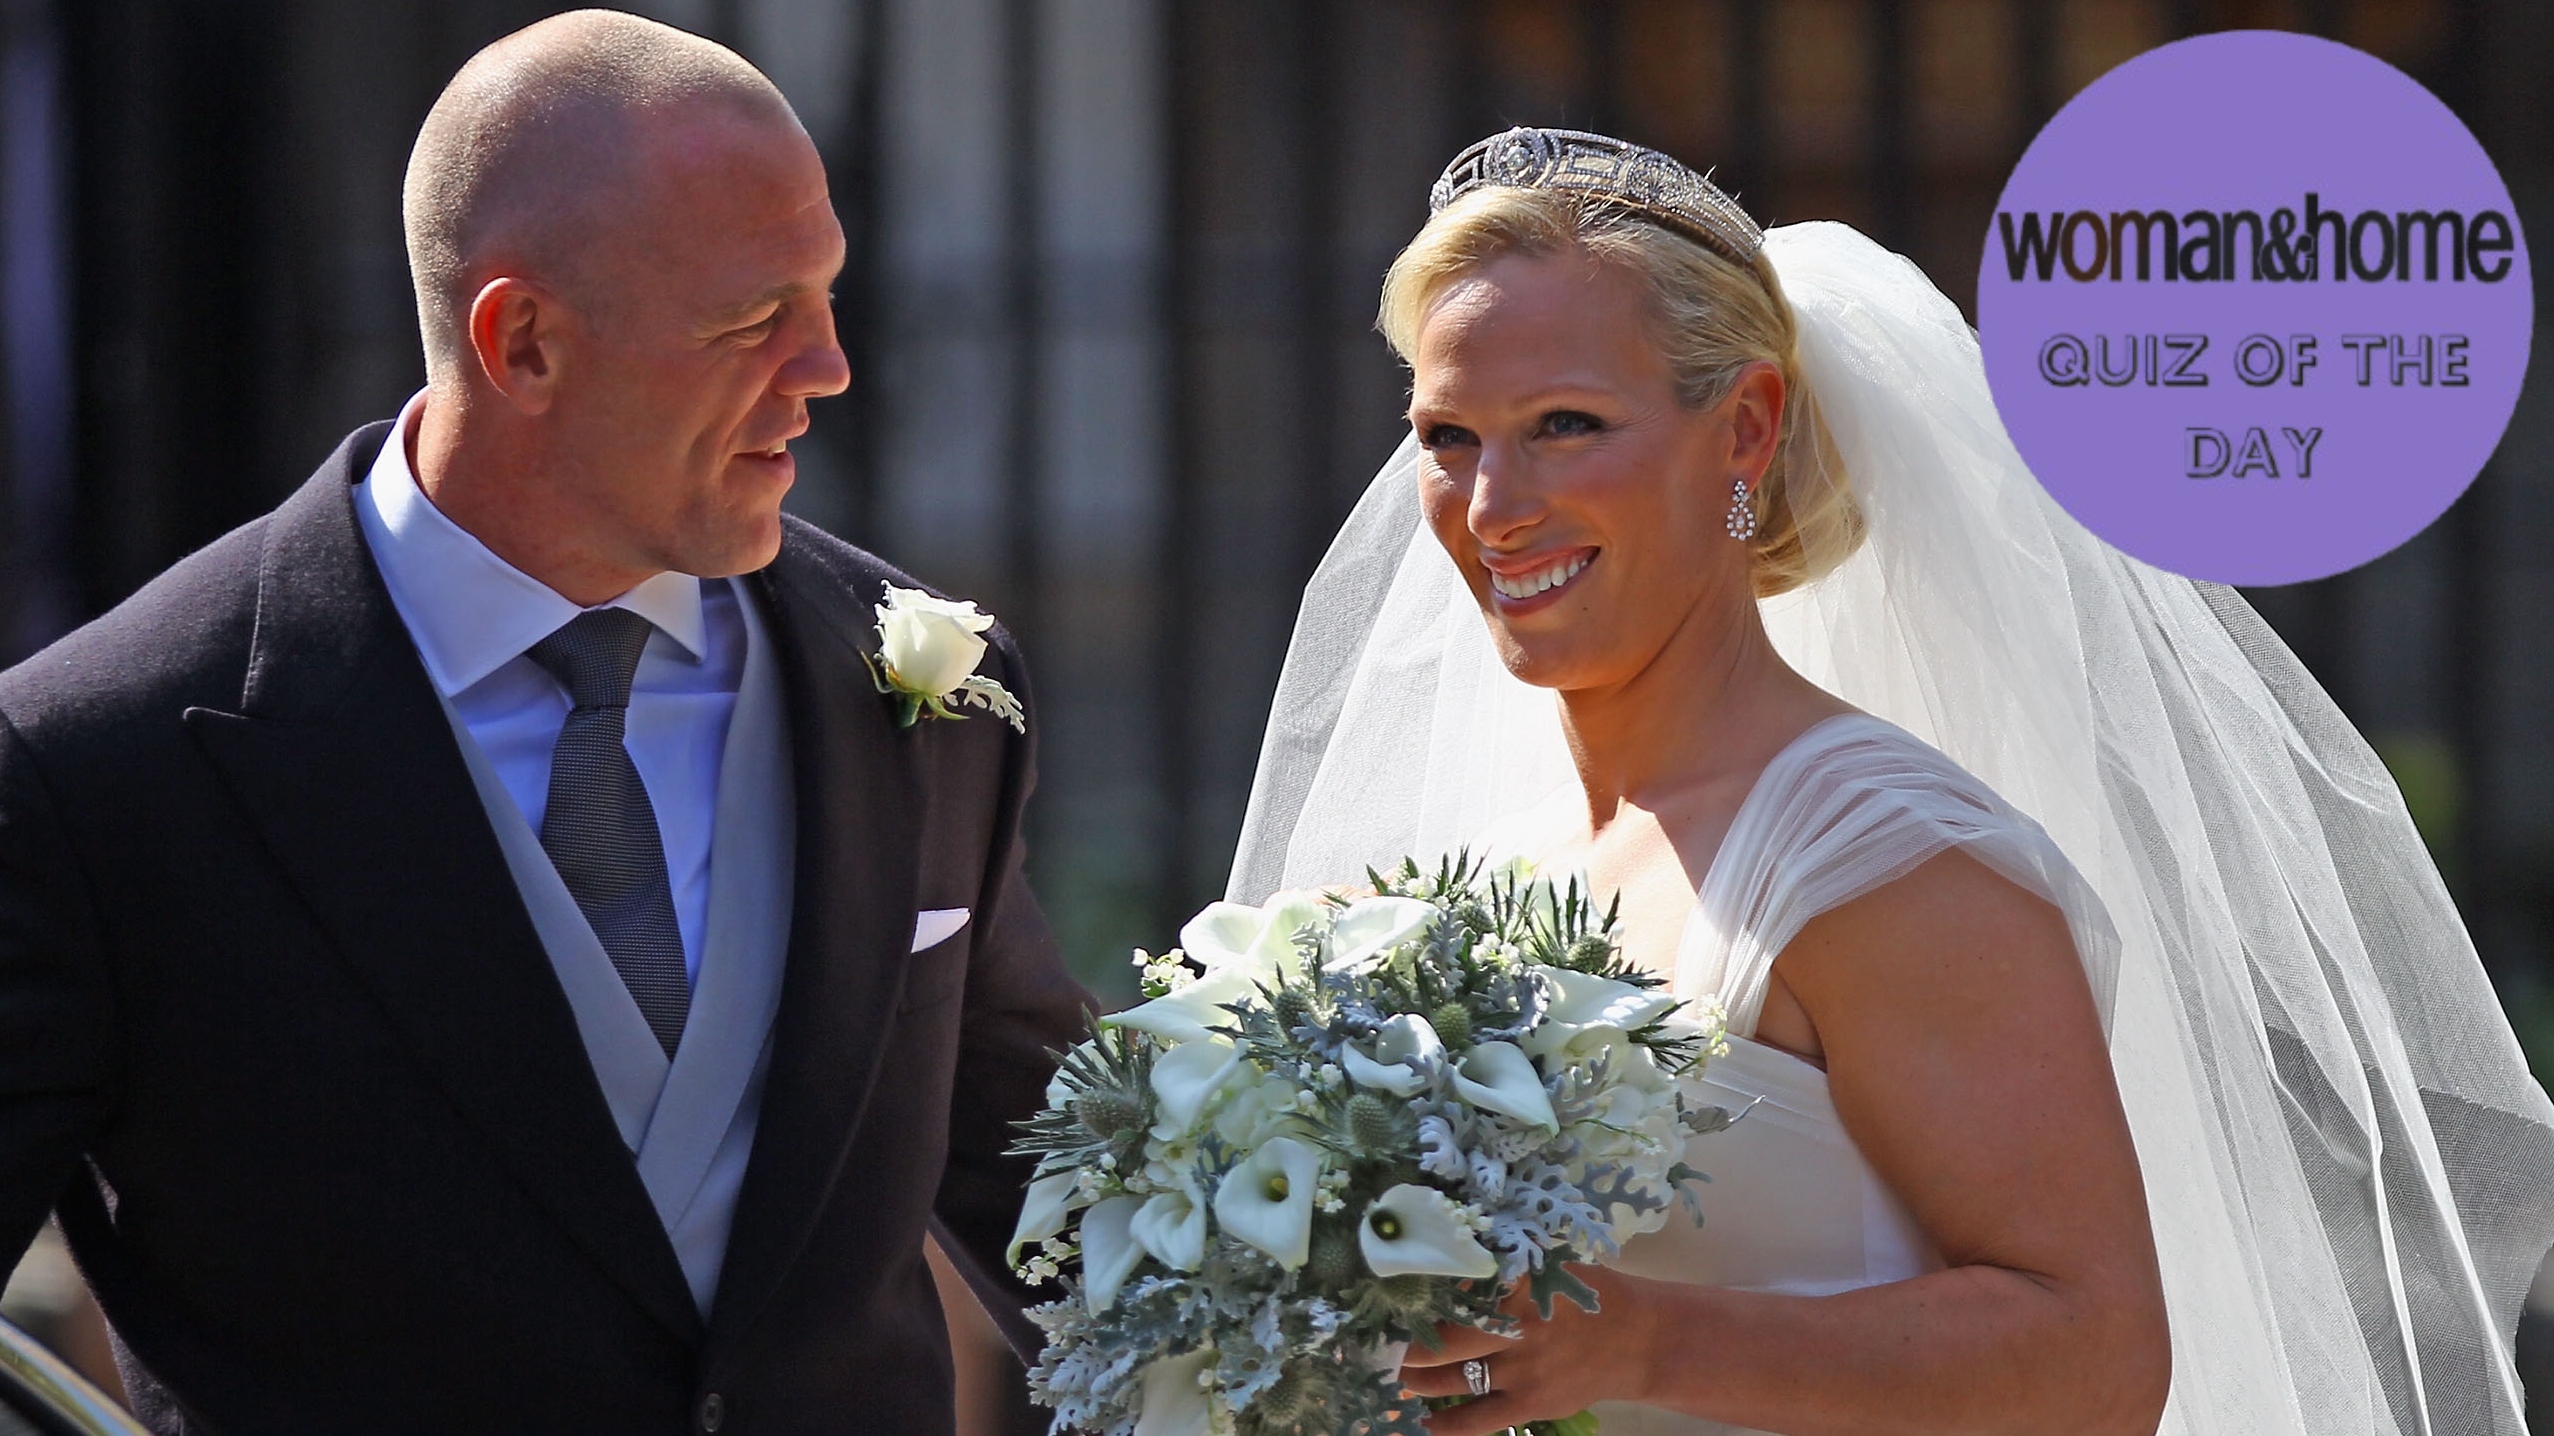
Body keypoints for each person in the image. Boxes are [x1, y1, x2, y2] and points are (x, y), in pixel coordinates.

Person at [1228, 129, 2554, 1435]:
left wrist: (1640, 1340)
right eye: (1447, 436)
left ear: (1742, 430)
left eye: (1565, 425)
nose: (1490, 504)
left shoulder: (1886, 861)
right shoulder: (1499, 869)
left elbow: (2094, 1361)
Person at [0, 11, 1086, 1434]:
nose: (827, 369)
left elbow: (1057, 1196)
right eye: (754, 321)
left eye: (825, 299)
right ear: (521, 345)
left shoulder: (934, 693)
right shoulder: (97, 770)